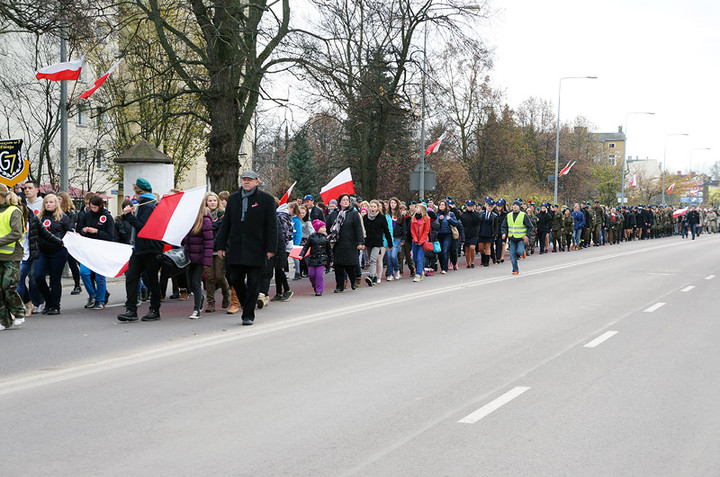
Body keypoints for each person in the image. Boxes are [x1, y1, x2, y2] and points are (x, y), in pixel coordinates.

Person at [215, 170, 277, 326]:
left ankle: (248, 314)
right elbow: (226, 224)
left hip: (256, 247)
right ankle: (245, 303)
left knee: (254, 282)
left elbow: (271, 226)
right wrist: (220, 245)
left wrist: (271, 248)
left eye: (249, 180)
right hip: (236, 247)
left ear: (257, 182)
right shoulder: (234, 199)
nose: (246, 182)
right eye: (244, 180)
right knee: (234, 278)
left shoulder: (266, 200)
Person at [117, 178, 164, 322]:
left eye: (135, 192)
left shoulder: (148, 206)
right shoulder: (143, 204)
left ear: (139, 191)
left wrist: (128, 216)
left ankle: (154, 310)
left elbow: (143, 228)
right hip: (139, 248)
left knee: (151, 280)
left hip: (150, 249)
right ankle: (131, 309)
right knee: (131, 277)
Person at [34, 193, 72, 314]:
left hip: (58, 252)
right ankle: (48, 300)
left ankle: (55, 306)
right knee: (38, 276)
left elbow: (69, 233)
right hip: (43, 252)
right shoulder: (40, 217)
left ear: (56, 204)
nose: (48, 204)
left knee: (55, 279)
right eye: (46, 202)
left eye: (51, 202)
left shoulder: (63, 217)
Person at [77, 195, 115, 309]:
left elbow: (110, 235)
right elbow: (79, 228)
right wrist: (83, 230)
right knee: (84, 272)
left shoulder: (107, 217)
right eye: (90, 207)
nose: (91, 209)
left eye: (94, 207)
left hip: (101, 249)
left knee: (100, 276)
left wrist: (96, 231)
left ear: (100, 206)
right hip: (88, 249)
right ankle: (92, 295)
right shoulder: (86, 215)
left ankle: (101, 300)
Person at [0, 184, 27, 330]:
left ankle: (19, 312)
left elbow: (17, 233)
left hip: (11, 255)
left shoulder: (14, 211)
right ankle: (3, 320)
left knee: (8, 287)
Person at [326, 193, 364, 293]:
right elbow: (328, 227)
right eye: (343, 200)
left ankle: (353, 281)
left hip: (350, 243)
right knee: (338, 266)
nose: (346, 201)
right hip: (337, 243)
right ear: (339, 202)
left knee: (350, 265)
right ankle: (339, 286)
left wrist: (360, 242)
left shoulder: (353, 213)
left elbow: (358, 229)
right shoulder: (334, 214)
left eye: (347, 200)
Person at [182, 200, 213, 319]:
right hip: (189, 257)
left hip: (200, 258)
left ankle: (196, 310)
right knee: (190, 285)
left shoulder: (205, 220)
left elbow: (208, 243)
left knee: (195, 282)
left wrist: (206, 261)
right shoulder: (188, 220)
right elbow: (185, 240)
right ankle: (200, 297)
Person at [204, 192, 231, 312]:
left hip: (220, 249)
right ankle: (211, 303)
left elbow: (224, 232)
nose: (212, 203)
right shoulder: (202, 216)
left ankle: (226, 293)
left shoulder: (223, 215)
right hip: (207, 249)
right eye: (210, 201)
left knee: (219, 275)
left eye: (214, 200)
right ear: (206, 202)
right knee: (209, 277)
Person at [363, 199, 392, 286]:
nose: (372, 208)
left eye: (374, 206)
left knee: (373, 259)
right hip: (368, 241)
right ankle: (375, 277)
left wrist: (390, 243)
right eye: (371, 206)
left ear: (377, 208)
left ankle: (371, 276)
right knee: (370, 260)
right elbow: (362, 230)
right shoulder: (365, 217)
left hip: (378, 242)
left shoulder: (381, 218)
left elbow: (386, 231)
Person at [57, 191, 82, 295]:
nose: (57, 201)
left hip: (69, 240)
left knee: (72, 263)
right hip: (59, 240)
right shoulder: (56, 212)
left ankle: (77, 284)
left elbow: (69, 227)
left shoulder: (70, 213)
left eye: (59, 199)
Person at [300, 219, 332, 295]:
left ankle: (319, 290)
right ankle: (315, 285)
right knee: (311, 275)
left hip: (322, 259)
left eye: (325, 227)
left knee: (319, 275)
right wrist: (302, 254)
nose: (324, 229)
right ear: (317, 228)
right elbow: (306, 247)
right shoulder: (311, 237)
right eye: (322, 227)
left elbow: (329, 250)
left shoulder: (325, 239)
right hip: (312, 258)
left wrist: (331, 260)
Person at [501, 199, 533, 275]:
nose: (515, 206)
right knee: (512, 254)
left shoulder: (523, 215)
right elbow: (504, 226)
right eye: (513, 205)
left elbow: (530, 227)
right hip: (512, 238)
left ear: (519, 207)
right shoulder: (508, 215)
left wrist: (527, 236)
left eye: (516, 205)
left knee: (519, 251)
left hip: (521, 238)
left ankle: (523, 252)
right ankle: (515, 269)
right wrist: (504, 233)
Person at [435, 200, 459, 274]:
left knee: (445, 251)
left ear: (446, 206)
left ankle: (445, 268)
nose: (441, 206)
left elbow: (456, 223)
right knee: (440, 252)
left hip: (447, 234)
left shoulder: (450, 214)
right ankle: (442, 266)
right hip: (439, 235)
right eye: (440, 205)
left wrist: (450, 219)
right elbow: (433, 224)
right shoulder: (436, 215)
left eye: (443, 205)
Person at [410, 203, 431, 282]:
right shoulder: (413, 218)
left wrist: (421, 240)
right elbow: (412, 230)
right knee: (415, 258)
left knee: (419, 258)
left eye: (417, 207)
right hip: (415, 241)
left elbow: (426, 231)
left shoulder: (426, 218)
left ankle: (418, 274)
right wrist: (415, 239)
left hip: (423, 241)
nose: (416, 209)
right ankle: (421, 270)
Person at [460, 200, 481, 268]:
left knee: (472, 247)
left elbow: (478, 221)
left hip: (474, 233)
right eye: (468, 206)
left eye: (471, 206)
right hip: (466, 234)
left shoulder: (476, 214)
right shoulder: (464, 215)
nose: (470, 207)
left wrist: (473, 212)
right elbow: (462, 224)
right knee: (467, 249)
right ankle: (468, 263)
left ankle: (472, 262)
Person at [477, 199, 498, 267]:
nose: (490, 207)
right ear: (486, 206)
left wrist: (495, 234)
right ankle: (483, 258)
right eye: (489, 206)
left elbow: (495, 226)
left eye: (491, 206)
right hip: (481, 232)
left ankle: (486, 261)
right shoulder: (481, 213)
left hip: (489, 233)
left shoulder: (494, 216)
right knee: (481, 248)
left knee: (488, 247)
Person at [288, 202, 303, 280]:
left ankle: (298, 272)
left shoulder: (297, 220)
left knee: (295, 258)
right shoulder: (289, 218)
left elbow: (299, 232)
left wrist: (296, 243)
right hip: (289, 241)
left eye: (289, 208)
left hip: (295, 242)